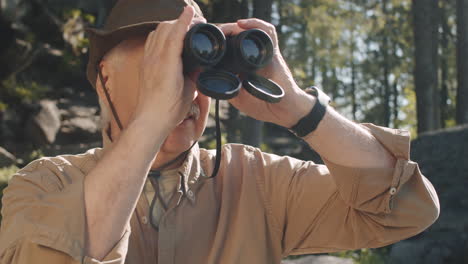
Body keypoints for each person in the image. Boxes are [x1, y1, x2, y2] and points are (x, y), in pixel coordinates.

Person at [0, 0, 439, 264]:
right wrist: (154, 119)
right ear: (105, 78)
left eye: (195, 63)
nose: (186, 85)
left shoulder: (256, 182)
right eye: (162, 59)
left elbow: (405, 209)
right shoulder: (44, 184)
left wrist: (299, 109)